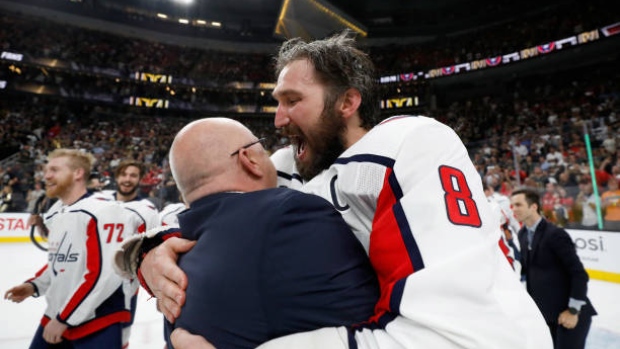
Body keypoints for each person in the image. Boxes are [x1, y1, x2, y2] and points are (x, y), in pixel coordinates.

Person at [134, 31, 552, 348]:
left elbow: (452, 336)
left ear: (347, 103)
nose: (278, 120)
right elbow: (209, 206)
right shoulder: (286, 166)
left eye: (292, 100)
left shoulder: (412, 143)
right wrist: (153, 250)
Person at [115, 117, 379, 349]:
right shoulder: (290, 214)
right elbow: (378, 331)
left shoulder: (176, 244)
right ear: (249, 159)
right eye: (262, 149)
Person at [3, 149, 138, 348]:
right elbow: (63, 263)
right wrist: (35, 285)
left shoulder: (103, 211)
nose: (46, 175)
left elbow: (104, 274)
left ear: (78, 173)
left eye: (55, 170)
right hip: (58, 315)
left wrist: (64, 319)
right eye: (46, 170)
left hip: (97, 321)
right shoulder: (59, 213)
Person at [510, 188, 597, 349]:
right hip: (547, 315)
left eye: (518, 205)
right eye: (512, 206)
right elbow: (530, 271)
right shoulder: (522, 234)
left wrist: (573, 310)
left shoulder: (555, 234)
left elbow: (579, 274)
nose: (513, 209)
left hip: (570, 315)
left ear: (533, 207)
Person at [99, 160, 161, 348]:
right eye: (124, 174)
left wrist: (159, 292)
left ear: (140, 179)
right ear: (116, 177)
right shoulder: (98, 202)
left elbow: (153, 252)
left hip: (124, 288)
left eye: (133, 175)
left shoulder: (148, 211)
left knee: (119, 340)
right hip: (89, 281)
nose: (127, 179)